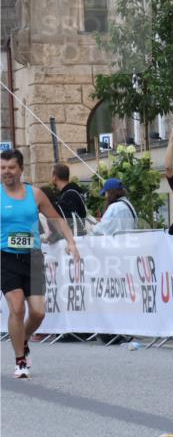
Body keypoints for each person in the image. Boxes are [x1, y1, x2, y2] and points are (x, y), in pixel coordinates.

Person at [1, 149, 81, 378]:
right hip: (5, 257)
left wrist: (71, 242)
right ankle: (20, 360)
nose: (6, 172)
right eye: (2, 168)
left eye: (11, 167)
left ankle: (22, 339)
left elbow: (56, 219)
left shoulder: (35, 194)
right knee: (17, 307)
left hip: (33, 258)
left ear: (20, 169)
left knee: (38, 313)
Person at [49, 163, 88, 237]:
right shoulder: (74, 191)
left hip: (75, 237)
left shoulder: (69, 195)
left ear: (55, 177)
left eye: (51, 175)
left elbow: (68, 220)